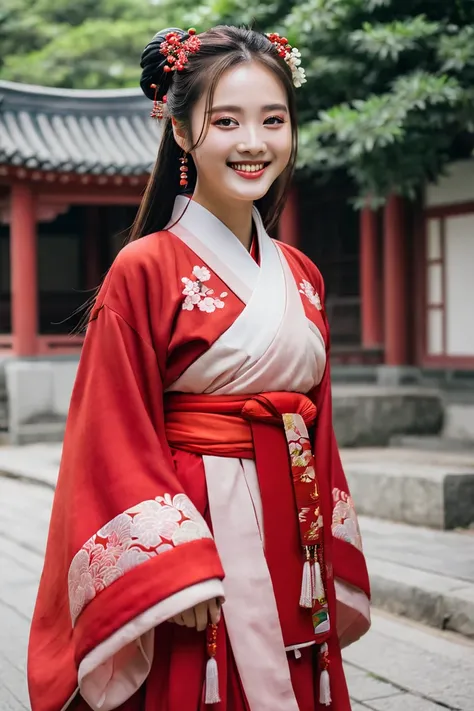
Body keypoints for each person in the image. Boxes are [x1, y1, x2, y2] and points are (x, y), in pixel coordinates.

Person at [28, 25, 370, 711]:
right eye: (227, 121)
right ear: (183, 132)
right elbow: (111, 431)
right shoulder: (144, 267)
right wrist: (174, 564)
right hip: (198, 532)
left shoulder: (300, 273)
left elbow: (318, 422)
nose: (254, 143)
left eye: (274, 120)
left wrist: (324, 539)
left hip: (290, 518)